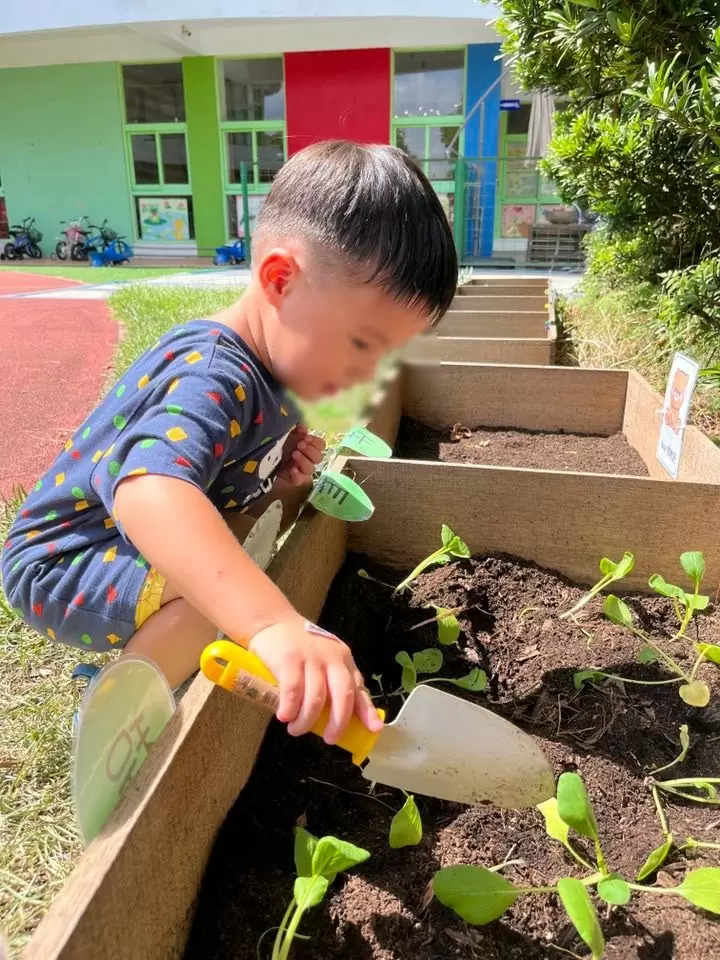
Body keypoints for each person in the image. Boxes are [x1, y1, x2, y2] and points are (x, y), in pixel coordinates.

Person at [1, 140, 457, 745]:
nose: (368, 375)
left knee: (238, 565)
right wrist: (270, 623)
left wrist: (286, 482)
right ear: (279, 279)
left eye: (388, 355)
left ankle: (160, 649)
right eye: (361, 344)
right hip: (68, 558)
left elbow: (239, 494)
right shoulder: (211, 373)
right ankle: (123, 713)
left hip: (123, 546)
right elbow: (149, 493)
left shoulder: (282, 368)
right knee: (220, 596)